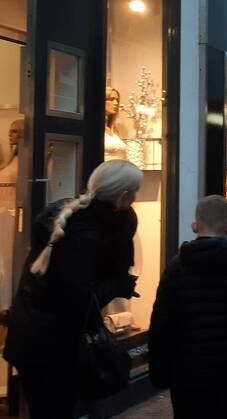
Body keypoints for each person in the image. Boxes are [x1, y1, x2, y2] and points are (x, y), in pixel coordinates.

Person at [3, 160, 142, 418]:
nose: (137, 196)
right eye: (135, 190)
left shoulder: (73, 216)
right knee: (55, 407)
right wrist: (116, 286)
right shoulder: (86, 234)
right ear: (124, 195)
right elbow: (74, 299)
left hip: (37, 335)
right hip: (50, 342)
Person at [149, 195, 227, 417]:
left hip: (186, 365)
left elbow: (161, 322)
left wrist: (158, 368)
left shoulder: (176, 267)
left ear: (195, 225)